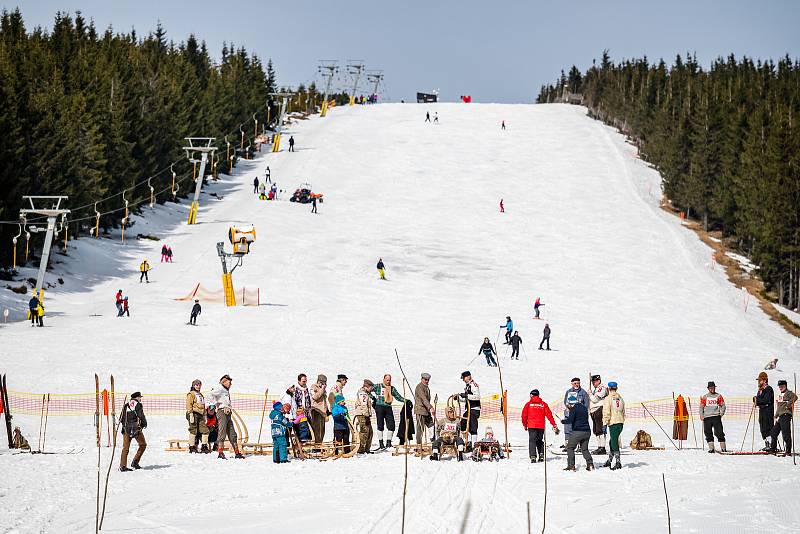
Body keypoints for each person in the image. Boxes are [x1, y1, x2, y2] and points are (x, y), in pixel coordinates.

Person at [208, 374, 244, 459]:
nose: (231, 384)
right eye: (229, 382)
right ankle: (220, 452)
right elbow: (209, 395)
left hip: (228, 412)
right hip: (222, 412)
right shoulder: (219, 388)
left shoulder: (225, 390)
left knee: (232, 433)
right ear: (224, 382)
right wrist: (214, 405)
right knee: (222, 432)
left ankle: (237, 453)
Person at [521, 389, 559, 462]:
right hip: (541, 426)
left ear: (531, 395)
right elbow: (549, 415)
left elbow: (524, 416)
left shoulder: (528, 404)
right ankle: (541, 454)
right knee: (539, 440)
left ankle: (533, 456)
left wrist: (525, 425)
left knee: (532, 441)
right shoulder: (543, 404)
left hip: (531, 426)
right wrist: (553, 424)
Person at [370, 374, 405, 450]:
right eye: (387, 380)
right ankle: (381, 443)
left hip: (388, 407)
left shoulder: (392, 388)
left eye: (389, 380)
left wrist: (405, 401)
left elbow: (397, 396)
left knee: (391, 425)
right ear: (384, 379)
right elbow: (368, 390)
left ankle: (389, 442)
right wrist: (373, 398)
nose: (388, 381)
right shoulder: (378, 386)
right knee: (380, 425)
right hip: (379, 407)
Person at [561, 394, 594, 471]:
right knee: (584, 449)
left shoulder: (573, 409)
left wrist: (563, 421)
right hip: (587, 431)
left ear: (571, 403)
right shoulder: (584, 407)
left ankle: (571, 466)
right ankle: (590, 464)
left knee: (570, 448)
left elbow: (570, 420)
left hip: (578, 431)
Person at [767, 379, 797, 455]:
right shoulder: (780, 395)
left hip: (786, 415)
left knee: (786, 433)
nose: (781, 387)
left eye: (782, 386)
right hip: (780, 416)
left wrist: (788, 405)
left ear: (785, 386)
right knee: (773, 432)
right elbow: (779, 407)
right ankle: (773, 448)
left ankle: (788, 451)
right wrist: (776, 416)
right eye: (780, 386)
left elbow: (795, 397)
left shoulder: (788, 393)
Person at [119, 392, 147, 471]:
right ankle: (135, 462)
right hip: (135, 429)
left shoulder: (126, 405)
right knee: (143, 445)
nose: (140, 399)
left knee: (125, 448)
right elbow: (141, 415)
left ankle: (122, 466)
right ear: (137, 397)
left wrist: (123, 427)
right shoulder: (138, 405)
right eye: (140, 397)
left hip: (126, 429)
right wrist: (144, 423)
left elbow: (121, 418)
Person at [602, 381, 625, 469]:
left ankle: (618, 462)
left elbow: (606, 412)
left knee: (614, 442)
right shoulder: (620, 398)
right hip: (620, 422)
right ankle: (609, 460)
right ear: (616, 388)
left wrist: (604, 423)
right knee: (612, 441)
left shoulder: (608, 398)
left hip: (613, 422)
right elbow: (623, 411)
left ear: (608, 388)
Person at [700, 381, 727, 453]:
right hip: (707, 417)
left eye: (713, 387)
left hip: (716, 416)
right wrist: (701, 415)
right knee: (708, 432)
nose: (712, 389)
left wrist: (721, 413)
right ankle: (711, 448)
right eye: (710, 388)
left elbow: (723, 405)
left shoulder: (718, 396)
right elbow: (701, 407)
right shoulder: (705, 397)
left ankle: (723, 448)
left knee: (719, 432)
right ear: (708, 389)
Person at [562, 378, 590, 446]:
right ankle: (567, 445)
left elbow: (586, 404)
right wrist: (569, 407)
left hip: (579, 417)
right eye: (575, 383)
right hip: (569, 414)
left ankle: (580, 446)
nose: (577, 385)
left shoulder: (583, 392)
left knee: (578, 431)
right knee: (568, 430)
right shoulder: (568, 392)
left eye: (578, 383)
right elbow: (565, 402)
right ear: (572, 384)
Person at [186, 379, 209, 453]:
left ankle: (204, 446)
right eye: (196, 385)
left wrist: (205, 415)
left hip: (200, 414)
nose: (198, 386)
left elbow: (203, 405)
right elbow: (188, 404)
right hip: (193, 413)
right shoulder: (191, 394)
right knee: (193, 430)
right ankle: (192, 447)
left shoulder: (200, 394)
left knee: (205, 430)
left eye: (199, 385)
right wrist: (190, 413)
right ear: (193, 385)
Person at [459, 371, 481, 450]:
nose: (463, 380)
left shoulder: (473, 385)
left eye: (464, 378)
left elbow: (477, 397)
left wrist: (467, 395)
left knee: (473, 426)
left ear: (468, 377)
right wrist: (459, 397)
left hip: (474, 409)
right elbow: (467, 399)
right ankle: (467, 442)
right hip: (469, 409)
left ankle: (474, 445)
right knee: (463, 423)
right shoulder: (468, 386)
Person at [588, 375, 609, 454]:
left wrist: (590, 394)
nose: (594, 383)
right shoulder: (595, 389)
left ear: (599, 381)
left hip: (599, 409)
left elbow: (595, 399)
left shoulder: (602, 389)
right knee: (596, 430)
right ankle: (599, 446)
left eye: (595, 381)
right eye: (593, 382)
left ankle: (602, 447)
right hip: (594, 410)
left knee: (600, 429)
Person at [755, 372, 775, 451]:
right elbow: (759, 400)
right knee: (762, 427)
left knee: (768, 427)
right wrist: (756, 400)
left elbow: (766, 400)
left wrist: (757, 400)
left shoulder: (768, 389)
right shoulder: (760, 390)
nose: (759, 382)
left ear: (765, 380)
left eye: (760, 380)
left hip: (768, 411)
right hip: (762, 410)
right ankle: (766, 443)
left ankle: (771, 445)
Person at [354, 379, 375, 453]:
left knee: (370, 432)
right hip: (362, 414)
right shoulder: (363, 393)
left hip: (365, 414)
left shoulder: (366, 393)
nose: (371, 390)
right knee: (364, 432)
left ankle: (367, 449)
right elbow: (363, 405)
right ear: (367, 386)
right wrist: (366, 415)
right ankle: (361, 449)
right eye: (371, 388)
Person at [413, 373, 434, 445]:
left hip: (426, 411)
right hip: (420, 410)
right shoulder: (419, 387)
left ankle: (433, 440)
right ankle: (419, 444)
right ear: (421, 379)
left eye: (428, 380)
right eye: (425, 379)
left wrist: (429, 407)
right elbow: (423, 398)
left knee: (431, 424)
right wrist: (430, 407)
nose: (427, 381)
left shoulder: (426, 387)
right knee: (420, 428)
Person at [310, 375, 329, 443]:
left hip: (322, 411)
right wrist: (321, 390)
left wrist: (327, 410)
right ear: (318, 381)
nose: (324, 384)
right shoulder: (313, 387)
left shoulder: (323, 389)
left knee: (322, 429)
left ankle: (320, 443)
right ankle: (316, 445)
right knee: (317, 429)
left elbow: (324, 400)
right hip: (316, 410)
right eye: (322, 382)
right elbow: (315, 397)